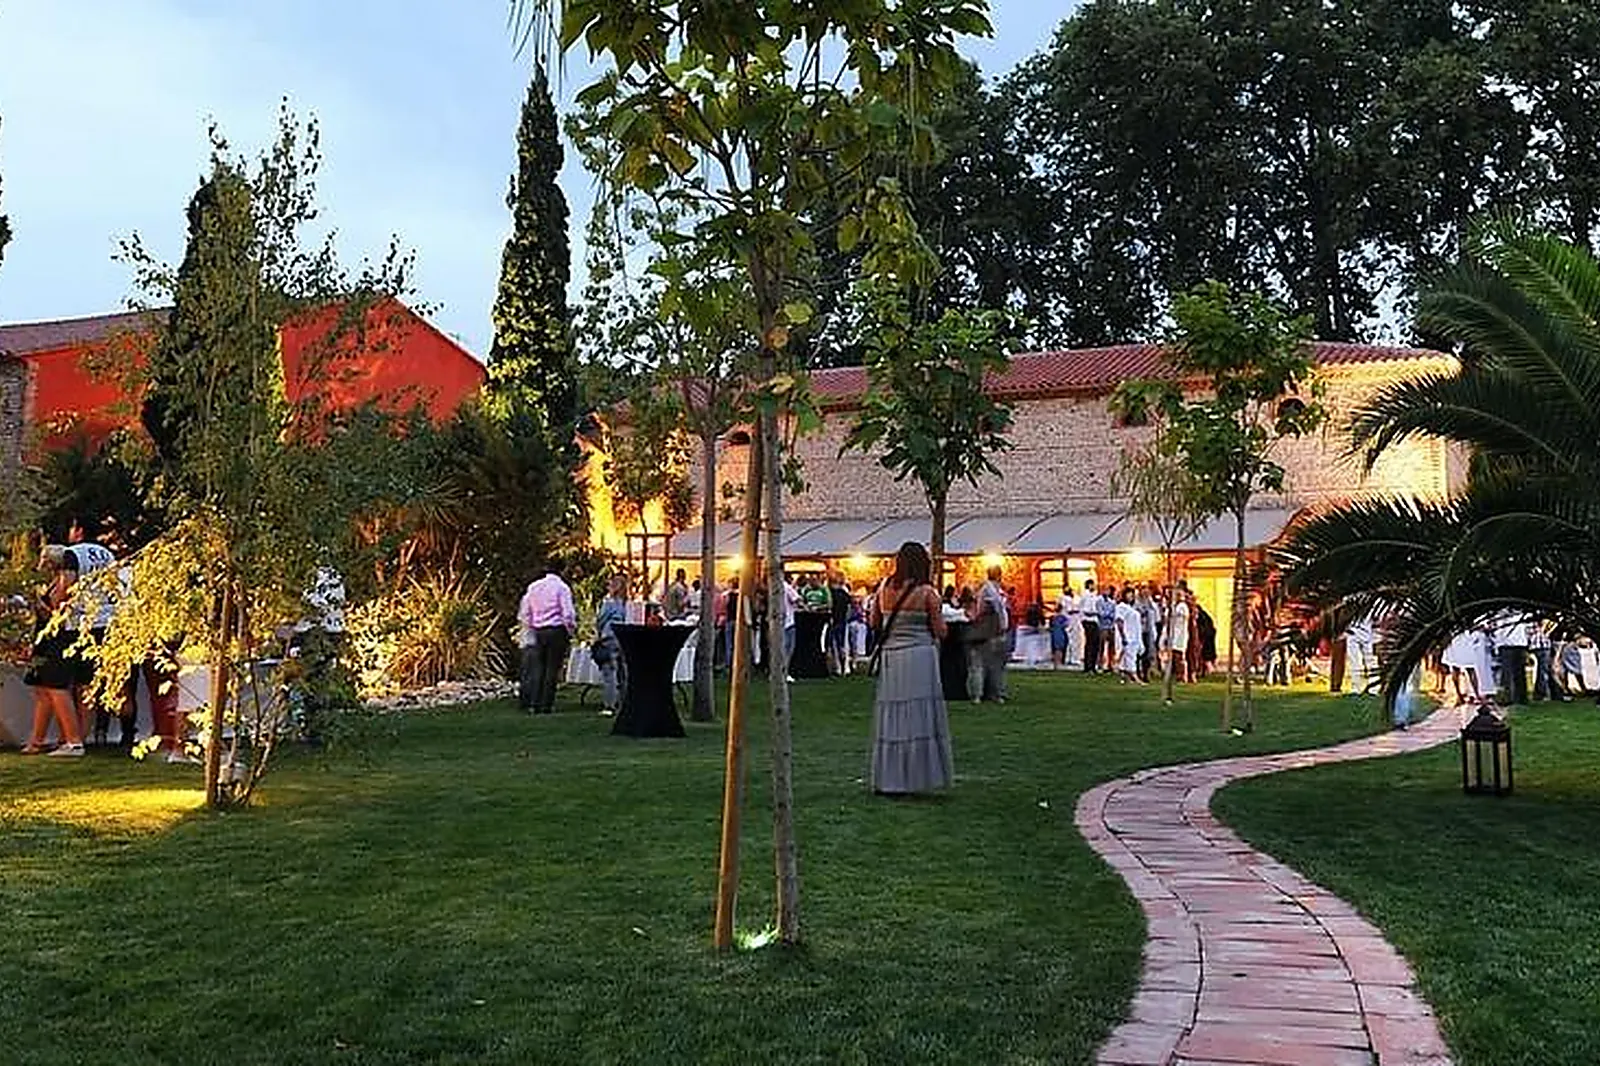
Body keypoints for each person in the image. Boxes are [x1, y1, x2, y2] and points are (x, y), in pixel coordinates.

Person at [868, 541, 954, 796]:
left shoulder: (883, 588)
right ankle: (914, 777)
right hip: (919, 656)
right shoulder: (928, 593)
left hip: (891, 657)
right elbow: (940, 631)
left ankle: (889, 777)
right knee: (918, 716)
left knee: (892, 716)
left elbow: (874, 622)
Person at [21, 546, 87, 756]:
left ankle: (72, 740)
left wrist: (42, 605)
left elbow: (59, 609)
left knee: (54, 686)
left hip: (57, 637)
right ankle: (37, 740)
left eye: (46, 560)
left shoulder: (66, 580)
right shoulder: (53, 581)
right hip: (43, 638)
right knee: (41, 688)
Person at [517, 561, 577, 714]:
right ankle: (546, 703)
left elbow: (526, 610)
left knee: (540, 666)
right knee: (552, 668)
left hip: (539, 630)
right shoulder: (562, 588)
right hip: (556, 629)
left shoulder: (534, 587)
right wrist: (570, 629)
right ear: (562, 571)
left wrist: (530, 626)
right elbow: (568, 613)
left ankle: (535, 702)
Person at [974, 566, 1010, 702]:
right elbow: (985, 609)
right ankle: (989, 693)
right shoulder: (989, 590)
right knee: (990, 662)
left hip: (997, 629)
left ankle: (994, 691)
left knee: (996, 662)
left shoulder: (995, 589)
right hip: (991, 630)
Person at [594, 575, 628, 714]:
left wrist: (599, 632)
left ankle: (609, 704)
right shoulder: (624, 602)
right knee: (622, 672)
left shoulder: (609, 602)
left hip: (609, 636)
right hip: (622, 637)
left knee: (609, 672)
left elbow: (601, 619)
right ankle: (624, 701)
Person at [1493, 611, 1530, 706]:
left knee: (1520, 673)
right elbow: (1497, 629)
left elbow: (1529, 628)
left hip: (1520, 644)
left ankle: (1521, 698)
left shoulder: (1522, 613)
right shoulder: (1501, 614)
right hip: (1506, 645)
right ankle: (1508, 697)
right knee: (1507, 674)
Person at [1115, 586, 1145, 684]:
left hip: (1134, 635)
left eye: (1132, 594)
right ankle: (1134, 676)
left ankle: (1125, 676)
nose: (1131, 596)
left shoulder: (1131, 608)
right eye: (1129, 594)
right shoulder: (1121, 606)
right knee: (1130, 656)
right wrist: (1123, 636)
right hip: (1128, 635)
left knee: (1129, 657)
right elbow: (1119, 621)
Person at [827, 571, 851, 675]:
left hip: (834, 620)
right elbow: (849, 608)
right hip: (842, 621)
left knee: (834, 645)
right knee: (842, 645)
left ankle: (838, 668)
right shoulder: (844, 593)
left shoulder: (831, 592)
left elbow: (830, 607)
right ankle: (845, 668)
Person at [1167, 587, 1191, 688]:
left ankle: (1183, 675)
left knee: (1180, 655)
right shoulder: (1174, 606)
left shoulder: (1182, 606)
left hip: (1181, 633)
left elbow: (1184, 617)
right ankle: (1177, 674)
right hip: (1175, 633)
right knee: (1175, 654)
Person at [1081, 579, 1101, 674]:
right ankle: (1088, 666)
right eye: (1092, 585)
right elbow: (1085, 610)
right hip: (1088, 621)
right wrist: (1096, 613)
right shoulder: (1085, 595)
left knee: (1096, 643)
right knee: (1090, 643)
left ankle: (1093, 666)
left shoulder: (1096, 595)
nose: (1094, 586)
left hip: (1095, 621)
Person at [1097, 584, 1119, 672]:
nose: (1106, 592)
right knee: (1101, 646)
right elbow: (1100, 613)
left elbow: (1114, 613)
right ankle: (1100, 664)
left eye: (1108, 590)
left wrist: (1108, 615)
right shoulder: (1099, 601)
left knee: (1111, 646)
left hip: (1111, 626)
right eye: (1105, 590)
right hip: (1103, 626)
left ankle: (1111, 664)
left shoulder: (1112, 602)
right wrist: (1108, 615)